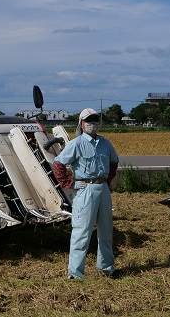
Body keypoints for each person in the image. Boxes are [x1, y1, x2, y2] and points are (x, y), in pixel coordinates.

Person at [52, 108, 120, 280]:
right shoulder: (76, 143)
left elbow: (114, 162)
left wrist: (108, 181)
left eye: (95, 120)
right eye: (88, 120)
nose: (92, 123)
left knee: (106, 231)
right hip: (85, 189)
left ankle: (106, 268)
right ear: (81, 124)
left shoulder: (105, 144)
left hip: (103, 188)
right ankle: (75, 273)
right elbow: (58, 163)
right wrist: (69, 183)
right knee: (82, 232)